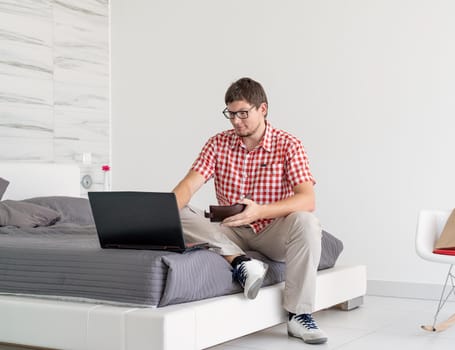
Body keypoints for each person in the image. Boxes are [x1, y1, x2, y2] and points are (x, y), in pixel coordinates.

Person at [172, 77, 327, 344]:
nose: (235, 121)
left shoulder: (289, 144)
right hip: (229, 231)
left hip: (272, 231)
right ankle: (242, 263)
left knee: (307, 222)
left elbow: (307, 199)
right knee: (177, 210)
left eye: (243, 113)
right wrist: (162, 212)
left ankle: (298, 315)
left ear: (262, 109)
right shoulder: (217, 144)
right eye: (230, 114)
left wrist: (260, 211)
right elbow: (188, 185)